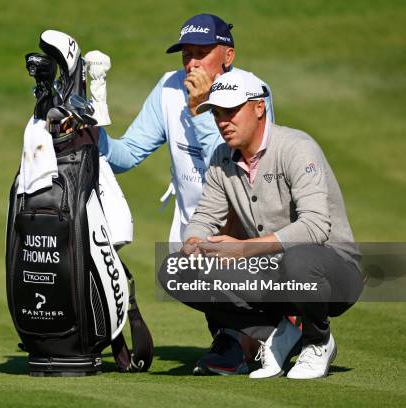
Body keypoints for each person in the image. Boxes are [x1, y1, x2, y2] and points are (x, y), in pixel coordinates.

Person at [99, 13, 275, 375]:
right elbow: (128, 153)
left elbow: (228, 166)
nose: (192, 62)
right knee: (183, 273)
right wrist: (92, 133)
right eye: (186, 54)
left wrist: (199, 109)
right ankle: (241, 339)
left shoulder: (252, 91)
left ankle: (262, 334)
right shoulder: (168, 88)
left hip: (249, 232)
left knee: (216, 281)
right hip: (197, 230)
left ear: (228, 55)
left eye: (202, 52)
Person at [172, 69, 364, 379]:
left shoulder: (297, 148)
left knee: (298, 261)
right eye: (218, 113)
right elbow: (205, 217)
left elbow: (316, 227)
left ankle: (318, 339)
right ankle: (278, 331)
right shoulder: (222, 158)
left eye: (232, 111)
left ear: (259, 107)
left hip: (333, 273)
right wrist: (195, 243)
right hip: (274, 275)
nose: (223, 121)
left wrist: (245, 249)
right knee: (176, 270)